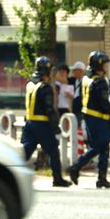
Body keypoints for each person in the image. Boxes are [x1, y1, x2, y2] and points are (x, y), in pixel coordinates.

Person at [67, 51, 110, 189]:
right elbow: (105, 105)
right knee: (99, 147)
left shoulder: (86, 79)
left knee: (104, 148)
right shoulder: (99, 82)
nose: (107, 67)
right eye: (105, 64)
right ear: (99, 65)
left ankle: (102, 178)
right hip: (99, 119)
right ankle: (75, 167)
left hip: (90, 117)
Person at [22, 57, 72, 187]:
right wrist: (56, 127)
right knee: (54, 152)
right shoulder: (45, 87)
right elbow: (49, 109)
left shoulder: (30, 85)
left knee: (24, 153)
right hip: (42, 125)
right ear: (47, 71)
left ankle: (7, 175)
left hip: (29, 124)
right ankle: (57, 179)